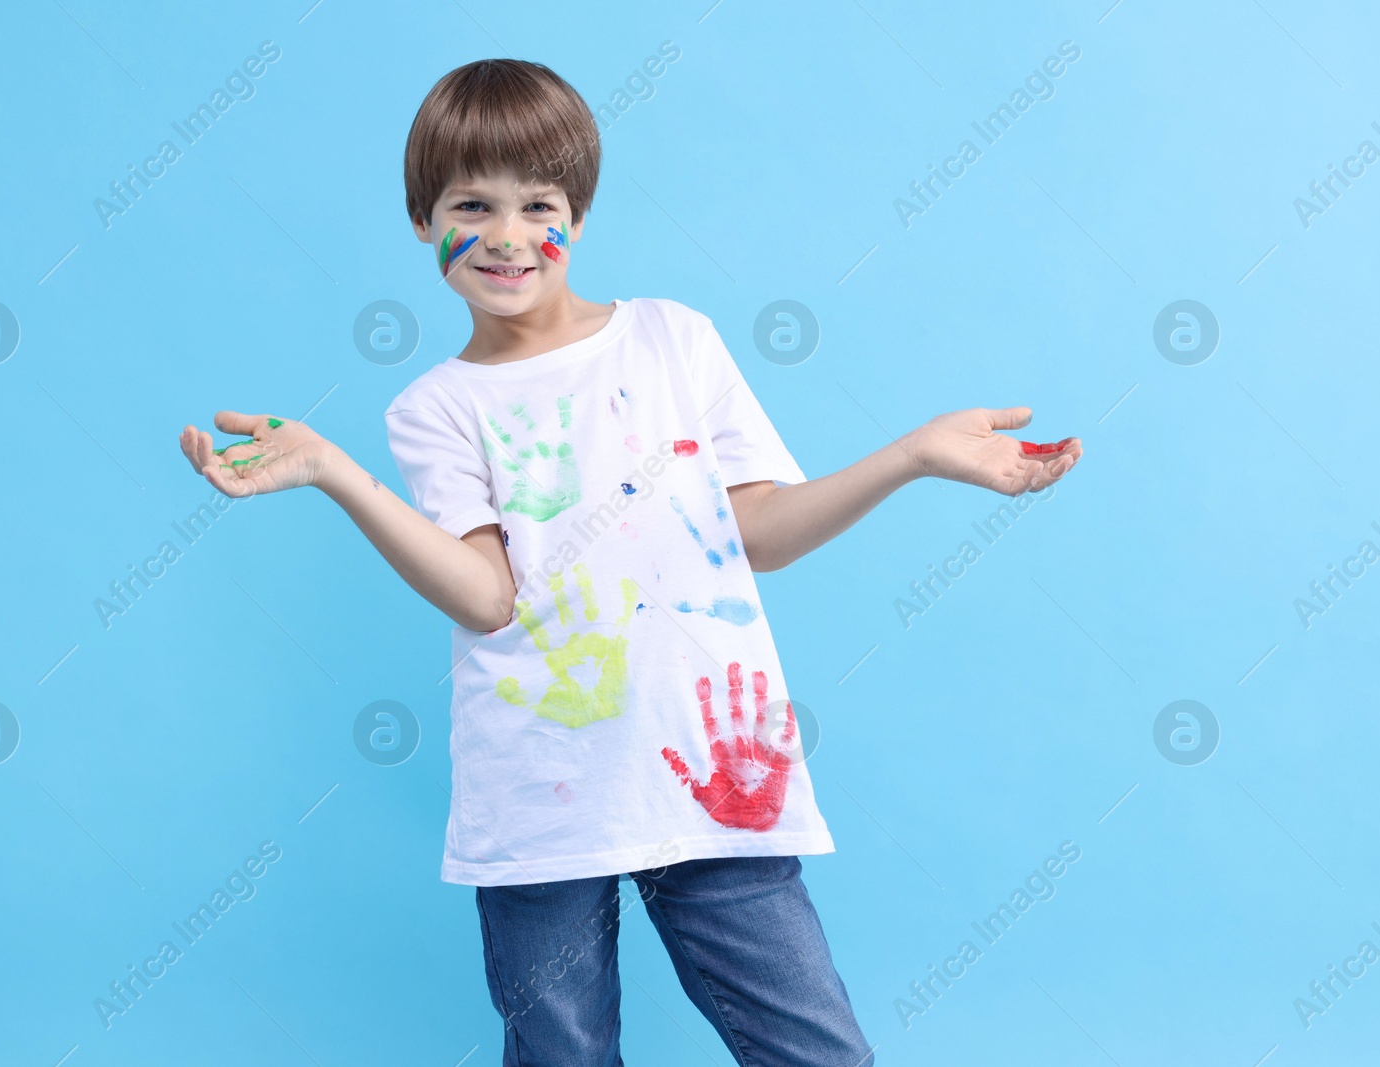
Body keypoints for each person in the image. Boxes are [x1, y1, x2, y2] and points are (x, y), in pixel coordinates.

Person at [179, 57, 1080, 1067]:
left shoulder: (672, 339)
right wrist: (339, 473)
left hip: (716, 782)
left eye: (539, 203)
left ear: (581, 211)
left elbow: (763, 534)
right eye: (472, 203)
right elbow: (487, 597)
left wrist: (909, 455)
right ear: (422, 220)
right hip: (540, 790)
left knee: (816, 1051)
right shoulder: (434, 408)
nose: (509, 235)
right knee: (561, 1053)